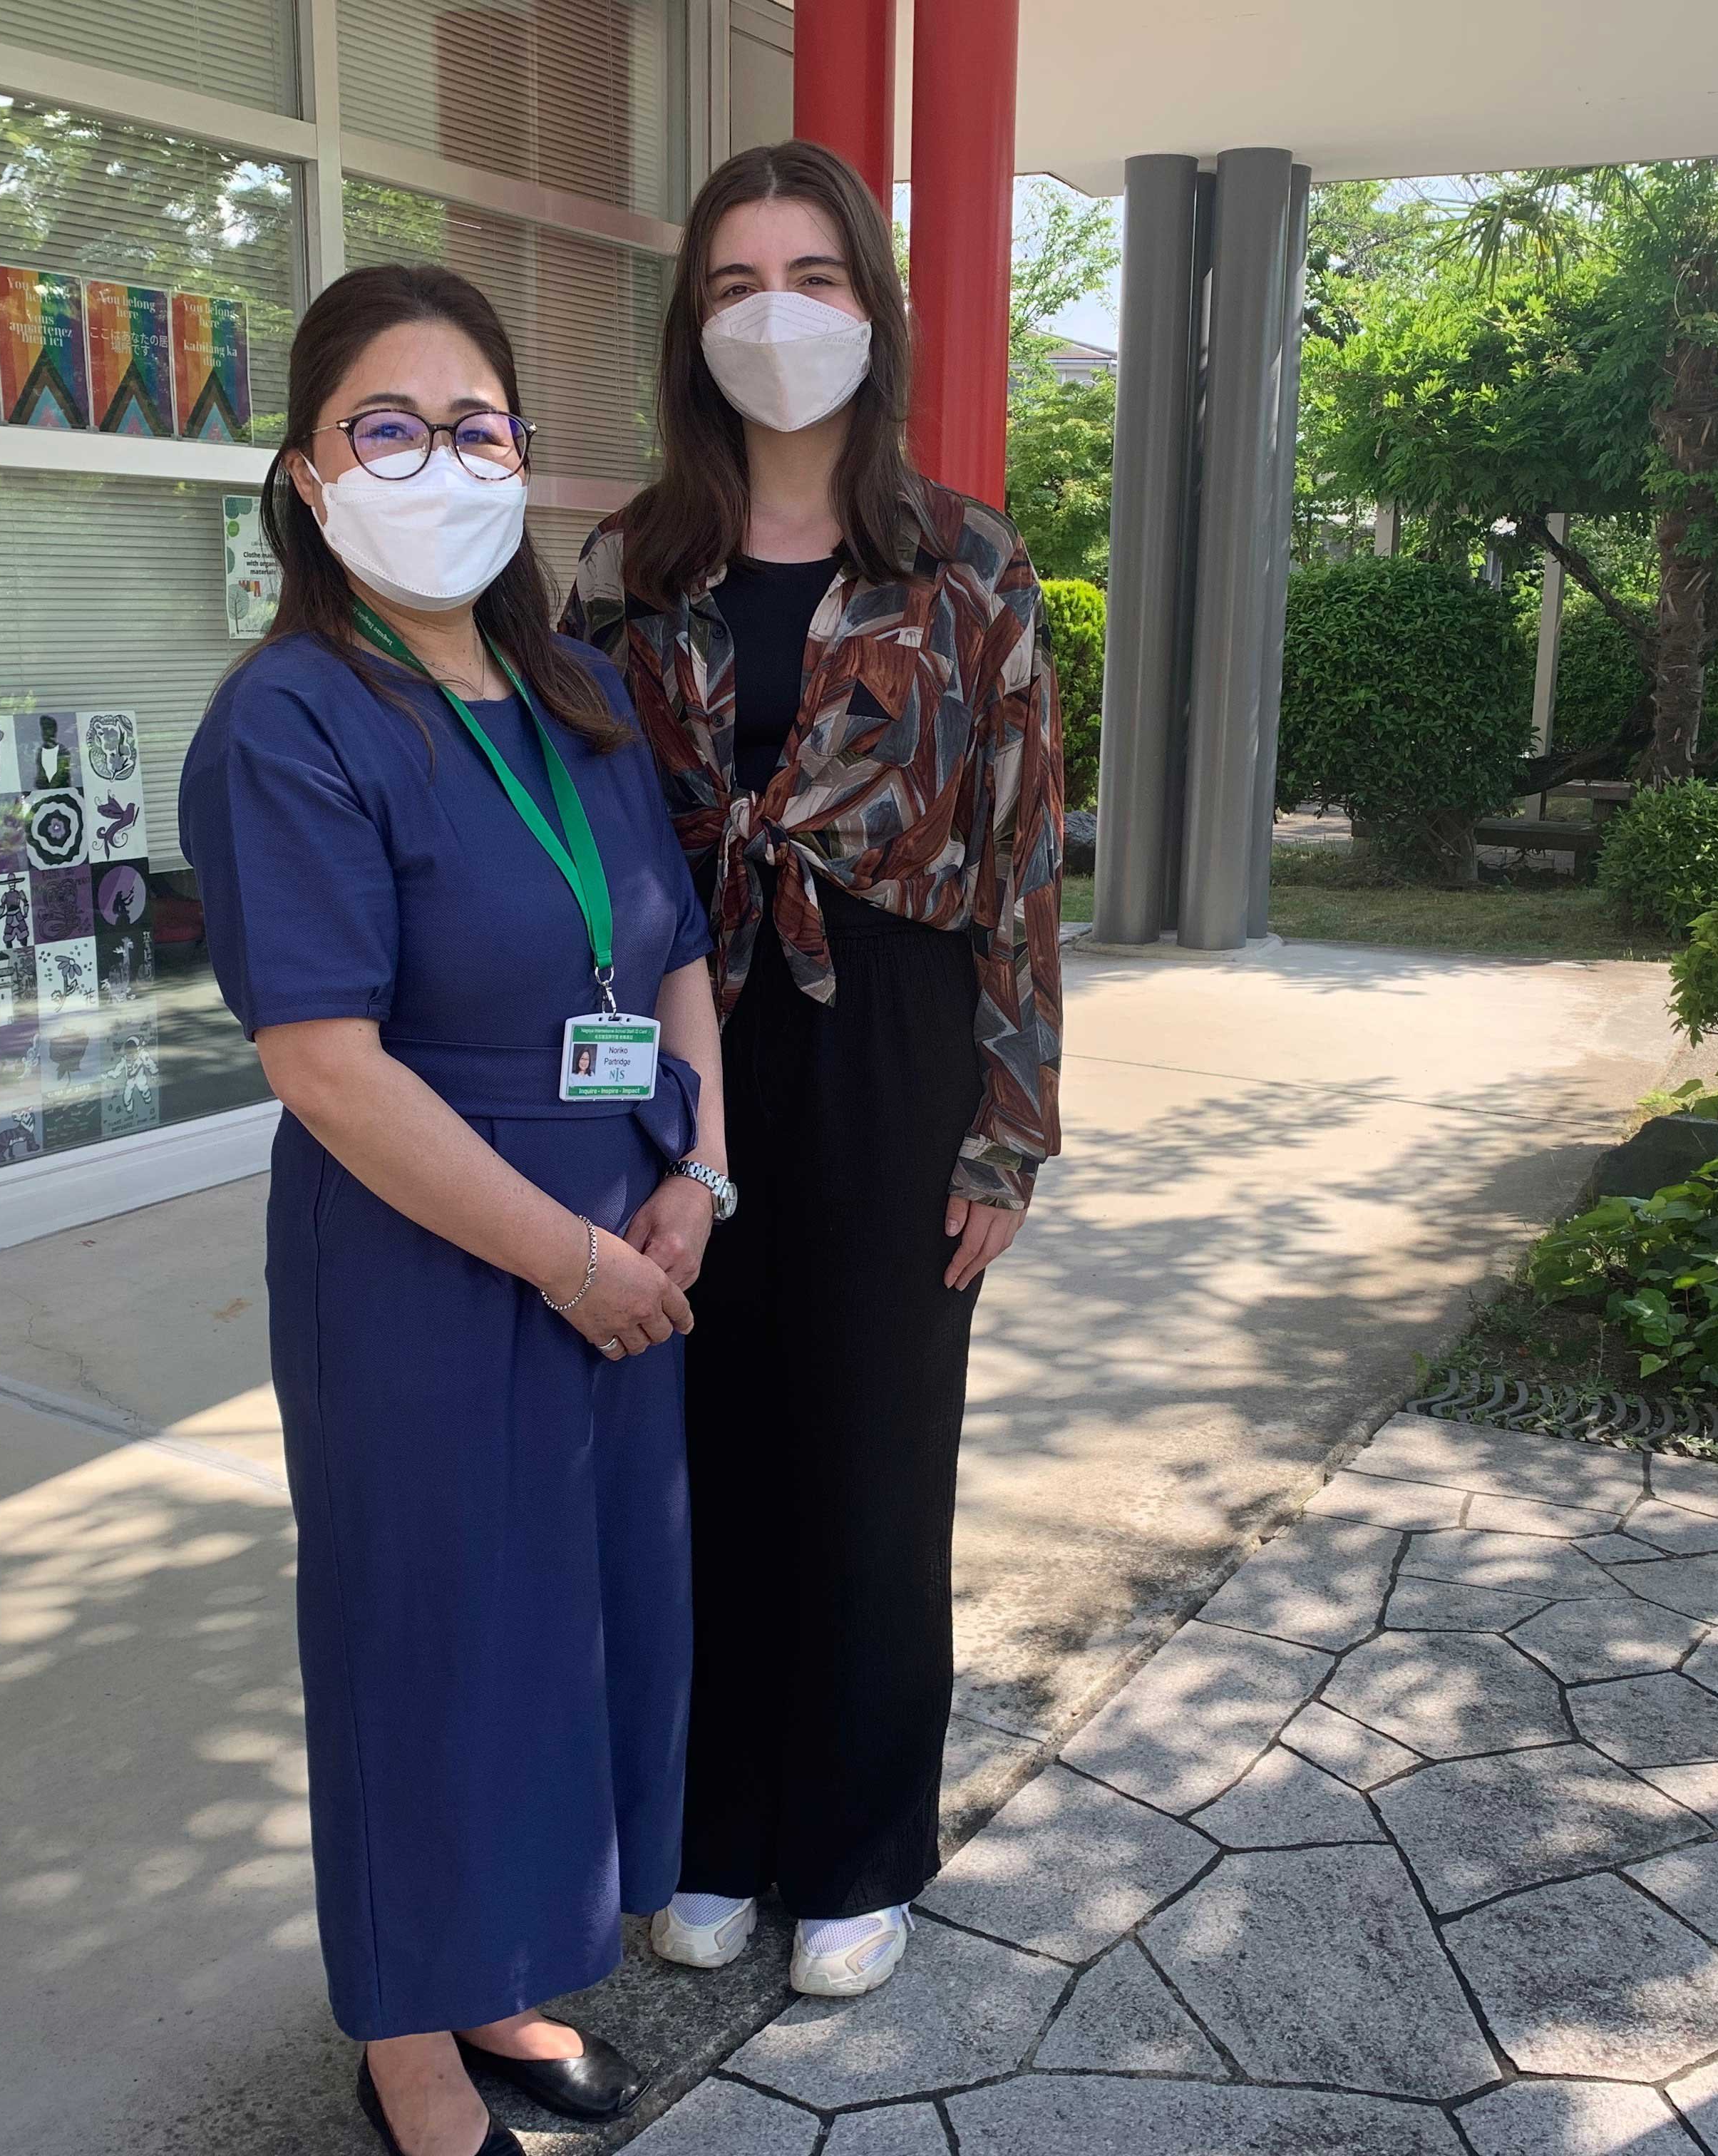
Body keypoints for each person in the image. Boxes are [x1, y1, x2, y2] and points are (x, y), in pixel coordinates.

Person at [180, 264, 736, 2156]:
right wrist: (574, 1253)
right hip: (424, 1268)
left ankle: (499, 1967)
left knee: (564, 1634)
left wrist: (699, 1180)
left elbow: (672, 961)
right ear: (310, 474)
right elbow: (326, 1063)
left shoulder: (576, 696)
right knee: (426, 1642)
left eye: (475, 425)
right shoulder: (292, 721)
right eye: (388, 427)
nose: (442, 461)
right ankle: (409, 2042)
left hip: (622, 1249)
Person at [562, 140, 1064, 2000]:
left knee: (868, 1463)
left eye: (816, 278)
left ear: (874, 307)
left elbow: (1023, 863)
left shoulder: (966, 561)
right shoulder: (632, 565)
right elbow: (588, 853)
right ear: (694, 326)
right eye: (736, 285)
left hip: (899, 1045)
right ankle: (712, 1829)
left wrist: (1009, 1138)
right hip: (693, 1045)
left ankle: (856, 1845)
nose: (779, 316)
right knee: (694, 1461)